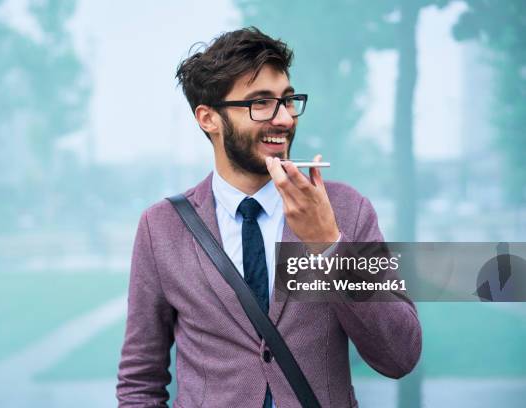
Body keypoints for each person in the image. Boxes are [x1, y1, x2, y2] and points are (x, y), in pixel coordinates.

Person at [116, 27, 421, 408]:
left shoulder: (346, 210)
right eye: (260, 103)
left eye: (288, 101)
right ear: (208, 118)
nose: (284, 119)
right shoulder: (160, 227)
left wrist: (329, 246)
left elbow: (399, 355)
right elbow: (139, 381)